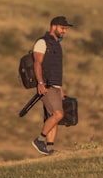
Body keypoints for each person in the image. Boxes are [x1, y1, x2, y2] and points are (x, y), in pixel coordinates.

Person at [31, 16, 73, 155]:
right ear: (53, 26)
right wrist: (40, 83)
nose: (64, 31)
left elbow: (56, 69)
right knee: (58, 114)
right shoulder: (42, 42)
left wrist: (60, 89)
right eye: (62, 28)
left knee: (54, 117)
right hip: (46, 86)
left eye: (66, 29)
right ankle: (39, 140)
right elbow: (37, 63)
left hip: (55, 86)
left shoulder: (56, 44)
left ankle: (49, 149)